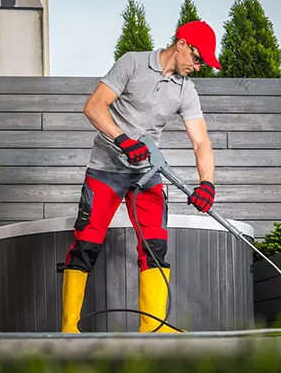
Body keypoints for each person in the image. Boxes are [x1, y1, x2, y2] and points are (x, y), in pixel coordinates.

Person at [60, 20, 221, 333]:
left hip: (147, 173)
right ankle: (68, 328)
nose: (198, 67)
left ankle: (153, 328)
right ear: (184, 44)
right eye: (198, 59)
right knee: (86, 243)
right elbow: (94, 107)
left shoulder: (186, 90)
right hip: (106, 169)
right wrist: (122, 140)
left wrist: (207, 184)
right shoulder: (132, 63)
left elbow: (201, 140)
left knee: (156, 246)